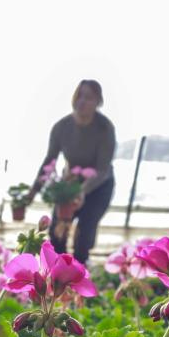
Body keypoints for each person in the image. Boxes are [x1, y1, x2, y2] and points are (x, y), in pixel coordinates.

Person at [30, 79, 116, 263]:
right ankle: (57, 271)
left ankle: (80, 270)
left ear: (98, 102)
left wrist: (82, 191)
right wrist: (32, 192)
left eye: (89, 97)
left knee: (83, 234)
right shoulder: (62, 127)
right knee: (56, 234)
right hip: (69, 184)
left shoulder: (105, 128)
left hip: (99, 186)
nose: (82, 101)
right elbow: (50, 161)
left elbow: (102, 169)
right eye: (79, 96)